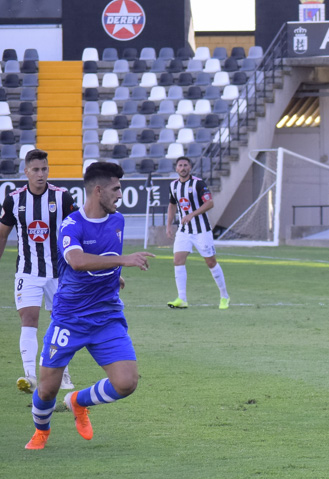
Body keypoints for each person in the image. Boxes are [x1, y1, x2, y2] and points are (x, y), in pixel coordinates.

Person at [24, 162, 156, 450]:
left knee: (126, 383)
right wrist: (123, 261)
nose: (120, 194)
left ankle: (77, 401)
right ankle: (41, 432)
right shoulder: (72, 224)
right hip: (69, 319)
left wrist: (114, 276)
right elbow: (77, 261)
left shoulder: (117, 221)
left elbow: (105, 256)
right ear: (98, 191)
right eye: (116, 189)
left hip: (107, 317)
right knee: (47, 389)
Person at [0, 149, 77, 394]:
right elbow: (2, 233)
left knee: (61, 321)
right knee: (29, 319)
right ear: (26, 172)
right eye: (35, 170)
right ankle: (30, 375)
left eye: (44, 169)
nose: (40, 174)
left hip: (59, 272)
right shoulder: (14, 199)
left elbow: (77, 229)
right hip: (27, 270)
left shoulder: (62, 197)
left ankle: (63, 372)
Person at [165, 157, 229, 309]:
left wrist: (192, 214)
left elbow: (210, 203)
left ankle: (224, 296)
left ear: (190, 168)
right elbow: (172, 205)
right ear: (176, 169)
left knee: (211, 262)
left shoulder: (198, 183)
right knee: (178, 260)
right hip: (184, 230)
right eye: (180, 165)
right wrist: (168, 224)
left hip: (201, 230)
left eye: (186, 165)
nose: (183, 168)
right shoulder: (173, 186)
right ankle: (182, 299)